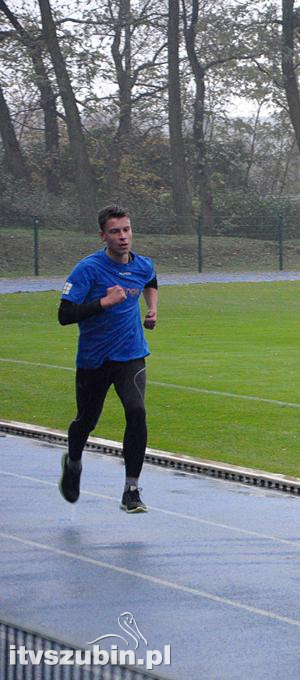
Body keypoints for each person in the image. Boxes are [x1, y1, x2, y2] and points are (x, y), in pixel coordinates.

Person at [58, 205, 158, 513]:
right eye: (115, 231)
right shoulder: (87, 269)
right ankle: (73, 462)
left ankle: (131, 489)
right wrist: (104, 302)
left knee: (137, 411)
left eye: (126, 229)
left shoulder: (142, 264)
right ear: (103, 235)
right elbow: (64, 315)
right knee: (86, 421)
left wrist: (152, 309)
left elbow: (151, 281)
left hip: (131, 355)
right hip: (94, 360)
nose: (123, 237)